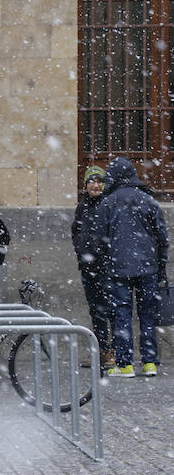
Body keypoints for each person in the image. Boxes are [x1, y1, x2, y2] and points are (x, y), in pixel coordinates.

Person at [97, 157, 168, 377]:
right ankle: (149, 362)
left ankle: (125, 364)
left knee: (122, 314)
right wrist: (161, 265)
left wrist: (106, 261)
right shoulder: (148, 200)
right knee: (147, 315)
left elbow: (100, 239)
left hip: (119, 268)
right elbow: (162, 237)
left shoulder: (108, 202)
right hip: (148, 266)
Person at [71, 166, 115, 368]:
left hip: (107, 267)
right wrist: (82, 254)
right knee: (96, 311)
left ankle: (115, 351)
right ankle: (101, 350)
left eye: (99, 182)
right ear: (86, 185)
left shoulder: (109, 205)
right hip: (88, 268)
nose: (96, 185)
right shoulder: (83, 207)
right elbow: (76, 232)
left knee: (112, 310)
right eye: (91, 182)